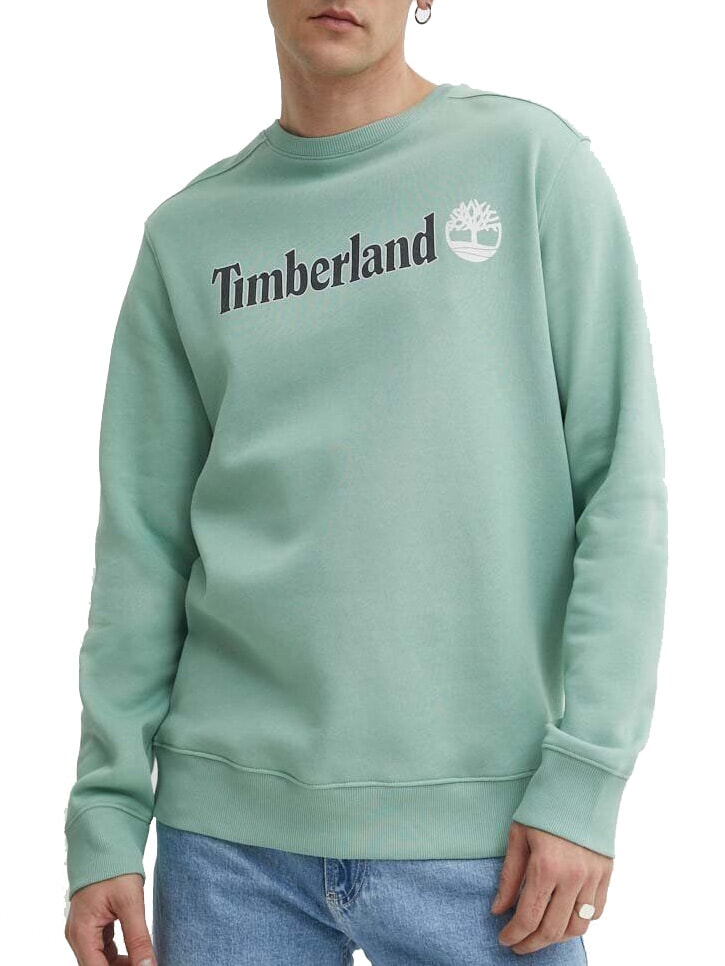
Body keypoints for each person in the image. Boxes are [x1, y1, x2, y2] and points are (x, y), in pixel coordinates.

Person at [63, 1, 668, 963]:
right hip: (227, 851)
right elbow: (142, 545)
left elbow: (620, 489)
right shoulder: (189, 235)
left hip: (492, 839)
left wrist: (585, 778)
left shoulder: (527, 164)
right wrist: (105, 815)